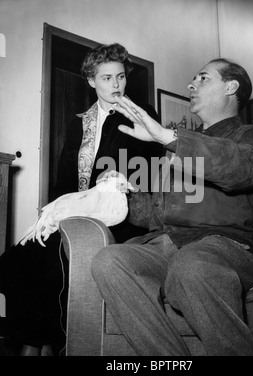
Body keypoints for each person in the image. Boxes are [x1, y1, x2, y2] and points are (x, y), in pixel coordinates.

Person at [91, 58, 253, 356]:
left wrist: (169, 137)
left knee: (191, 265)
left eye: (203, 78)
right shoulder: (177, 149)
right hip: (168, 247)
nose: (191, 84)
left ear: (231, 87)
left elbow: (244, 168)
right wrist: (116, 191)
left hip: (226, 247)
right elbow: (156, 213)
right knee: (110, 260)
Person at [0, 43, 163, 356]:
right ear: (91, 81)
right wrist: (58, 213)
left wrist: (119, 176)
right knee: (12, 263)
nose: (116, 85)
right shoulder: (80, 122)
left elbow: (150, 168)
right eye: (106, 78)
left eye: (120, 77)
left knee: (55, 266)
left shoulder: (141, 116)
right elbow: (64, 179)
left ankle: (44, 348)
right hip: (77, 216)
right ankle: (38, 340)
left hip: (121, 217)